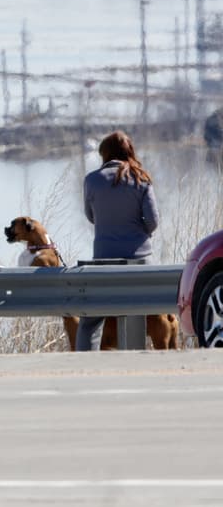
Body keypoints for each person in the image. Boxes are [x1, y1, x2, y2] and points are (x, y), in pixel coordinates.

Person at [77, 130, 160, 351]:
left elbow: (90, 216)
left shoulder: (92, 180)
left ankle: (84, 362)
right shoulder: (142, 179)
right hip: (141, 261)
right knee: (143, 311)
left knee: (90, 320)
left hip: (105, 261)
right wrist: (138, 234)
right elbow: (153, 221)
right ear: (129, 151)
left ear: (105, 155)